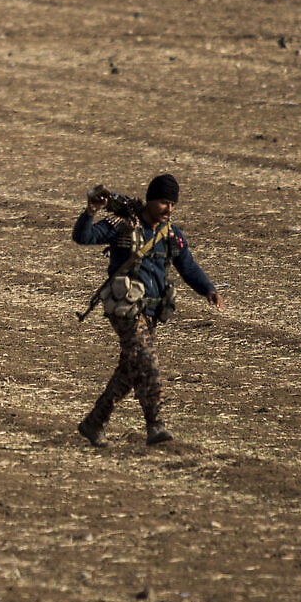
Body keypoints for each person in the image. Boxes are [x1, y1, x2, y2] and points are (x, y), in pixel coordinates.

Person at [71, 173, 222, 446]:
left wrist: (208, 289)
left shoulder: (171, 235)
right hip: (126, 309)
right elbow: (83, 236)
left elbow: (187, 266)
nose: (169, 209)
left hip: (151, 313)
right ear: (151, 201)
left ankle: (94, 423)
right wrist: (90, 212)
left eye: (173, 204)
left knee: (130, 370)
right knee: (148, 363)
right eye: (164, 203)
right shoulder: (123, 226)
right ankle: (155, 425)